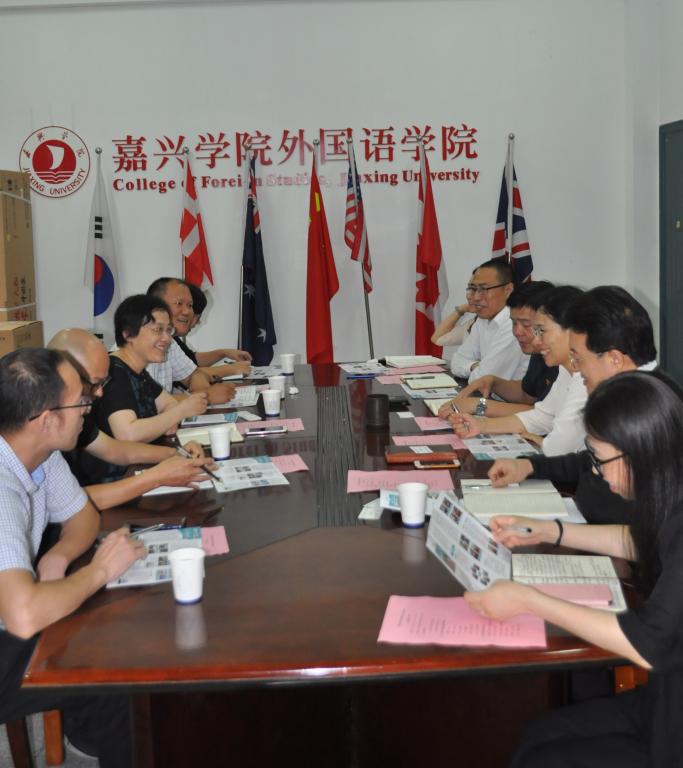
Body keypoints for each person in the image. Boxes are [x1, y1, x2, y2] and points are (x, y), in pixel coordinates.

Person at [465, 371, 683, 767]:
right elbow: (642, 541)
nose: (596, 472)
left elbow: (648, 643)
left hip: (673, 731)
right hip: (662, 699)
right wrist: (550, 531)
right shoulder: (670, 492)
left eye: (600, 460)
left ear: (639, 451)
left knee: (546, 759)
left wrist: (529, 600)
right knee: (539, 735)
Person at [0, 347, 145, 767]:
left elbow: (82, 517)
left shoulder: (39, 453)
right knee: (116, 666)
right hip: (8, 630)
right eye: (80, 400)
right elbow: (23, 616)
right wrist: (99, 571)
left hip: (11, 614)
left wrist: (58, 556)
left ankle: (89, 732)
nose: (89, 408)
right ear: (46, 420)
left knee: (112, 626)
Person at [487, 286, 658, 523]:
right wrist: (530, 466)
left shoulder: (651, 409)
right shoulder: (628, 391)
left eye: (578, 359)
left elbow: (639, 528)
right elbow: (592, 459)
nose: (575, 368)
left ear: (614, 359)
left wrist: (559, 531)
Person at [47, 328, 214, 507]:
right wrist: (156, 477)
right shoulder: (45, 423)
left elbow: (116, 450)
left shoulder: (73, 411)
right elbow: (68, 503)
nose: (100, 393)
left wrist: (178, 454)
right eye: (94, 383)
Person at [449, 286, 586, 456]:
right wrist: (480, 425)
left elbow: (558, 448)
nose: (535, 341)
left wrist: (545, 444)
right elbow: (543, 416)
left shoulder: (585, 377)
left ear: (573, 330)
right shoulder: (566, 369)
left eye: (541, 331)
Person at [90, 294, 209, 481]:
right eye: (158, 330)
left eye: (168, 330)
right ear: (128, 334)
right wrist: (180, 412)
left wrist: (169, 418)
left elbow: (169, 403)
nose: (167, 338)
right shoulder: (113, 372)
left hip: (140, 466)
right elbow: (128, 434)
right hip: (114, 480)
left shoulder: (137, 370)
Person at [438, 280, 557, 418]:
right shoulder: (539, 351)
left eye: (526, 324)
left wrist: (479, 406)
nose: (517, 332)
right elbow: (528, 395)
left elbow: (548, 417)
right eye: (513, 323)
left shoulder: (566, 363)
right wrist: (493, 382)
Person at [145, 278, 241, 400]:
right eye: (179, 303)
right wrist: (205, 397)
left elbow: (194, 374)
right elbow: (148, 403)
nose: (187, 311)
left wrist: (204, 391)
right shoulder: (138, 342)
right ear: (155, 305)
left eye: (190, 305)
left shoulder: (169, 341)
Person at [449, 258, 529, 384]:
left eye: (483, 289)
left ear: (508, 290)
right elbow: (456, 361)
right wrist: (474, 366)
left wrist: (477, 369)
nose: (476, 297)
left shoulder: (514, 325)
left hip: (512, 396)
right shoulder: (483, 319)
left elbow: (484, 379)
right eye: (473, 289)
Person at [182, 282, 253, 379]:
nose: (199, 322)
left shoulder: (174, 340)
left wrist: (224, 353)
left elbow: (192, 360)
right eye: (198, 317)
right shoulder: (168, 341)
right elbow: (189, 375)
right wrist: (231, 369)